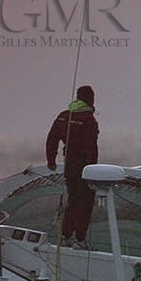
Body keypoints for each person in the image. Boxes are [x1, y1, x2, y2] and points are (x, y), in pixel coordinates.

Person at [45, 85, 99, 245]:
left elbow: (52, 139)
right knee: (86, 203)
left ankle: (66, 236)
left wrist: (51, 160)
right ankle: (80, 239)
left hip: (69, 165)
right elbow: (91, 147)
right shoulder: (89, 119)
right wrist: (92, 171)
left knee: (73, 201)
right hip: (85, 167)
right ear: (90, 99)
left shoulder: (63, 116)